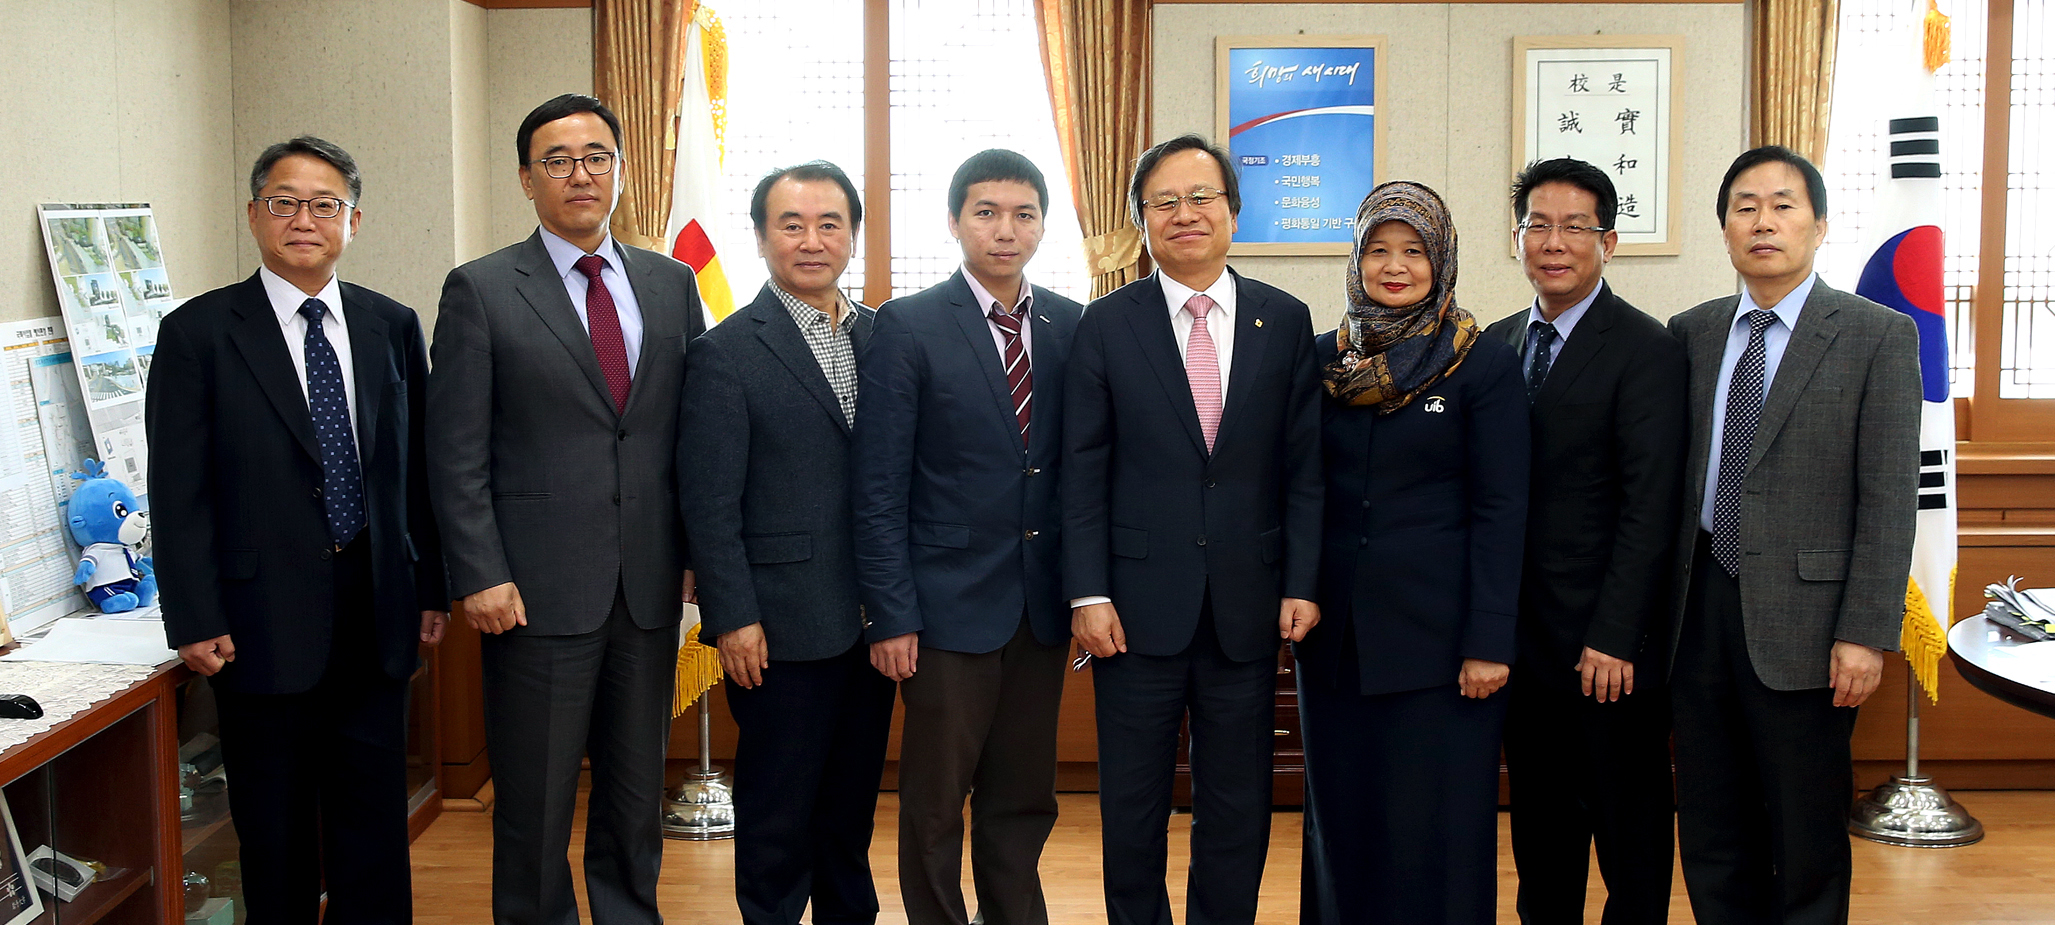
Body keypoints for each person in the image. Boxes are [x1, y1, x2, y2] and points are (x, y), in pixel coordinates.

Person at [149, 135, 447, 924]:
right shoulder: (198, 334)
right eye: (284, 202)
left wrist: (431, 588)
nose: (303, 219)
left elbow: (415, 474)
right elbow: (177, 490)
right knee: (274, 841)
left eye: (324, 205)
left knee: (373, 836)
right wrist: (194, 613)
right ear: (254, 215)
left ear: (354, 220)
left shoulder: (391, 324)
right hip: (257, 626)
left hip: (376, 619)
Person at [426, 93, 703, 925]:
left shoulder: (671, 282)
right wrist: (479, 572)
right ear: (525, 178)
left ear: (620, 169)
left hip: (649, 587)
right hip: (533, 594)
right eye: (558, 159)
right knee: (536, 803)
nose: (580, 174)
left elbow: (693, 435)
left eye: (596, 156)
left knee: (632, 795)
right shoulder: (481, 289)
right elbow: (455, 450)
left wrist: (697, 556)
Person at [1061, 133, 1322, 925]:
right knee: (1131, 804)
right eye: (1163, 202)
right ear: (1141, 220)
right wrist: (1088, 591)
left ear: (1233, 213)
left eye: (1200, 197)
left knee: (1237, 802)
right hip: (1132, 610)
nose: (1184, 214)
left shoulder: (1285, 320)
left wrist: (1301, 583)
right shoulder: (1105, 324)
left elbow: (1304, 468)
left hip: (1247, 604)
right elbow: (1081, 470)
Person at [1666, 145, 1919, 925]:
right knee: (1710, 816)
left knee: (1804, 824)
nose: (1763, 221)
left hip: (1812, 622)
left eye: (1782, 204)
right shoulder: (1692, 331)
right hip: (1698, 600)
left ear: (1817, 225)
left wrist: (1863, 631)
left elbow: (1887, 496)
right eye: (1745, 206)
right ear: (1724, 228)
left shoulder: (1876, 334)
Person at [853, 149, 1083, 925]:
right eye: (986, 213)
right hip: (944, 608)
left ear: (1044, 225)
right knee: (934, 801)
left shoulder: (1069, 324)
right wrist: (890, 612)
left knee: (1023, 795)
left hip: (1040, 604)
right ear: (955, 222)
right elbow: (879, 484)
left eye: (1022, 214)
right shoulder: (908, 325)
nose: (1004, 229)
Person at [1294, 180, 1528, 925]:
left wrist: (1489, 639)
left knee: (1439, 830)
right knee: (1341, 823)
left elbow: (1501, 509)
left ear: (1442, 258)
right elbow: (1296, 489)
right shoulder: (1321, 359)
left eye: (1413, 250)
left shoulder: (1479, 361)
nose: (1394, 266)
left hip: (1443, 646)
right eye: (1377, 249)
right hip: (1335, 642)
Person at [679, 160, 893, 925]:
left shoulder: (884, 336)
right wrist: (733, 616)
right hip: (775, 624)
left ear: (852, 234)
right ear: (762, 236)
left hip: (872, 625)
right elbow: (708, 502)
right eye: (791, 224)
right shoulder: (725, 351)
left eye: (829, 223)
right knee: (775, 818)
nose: (811, 240)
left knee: (849, 813)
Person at [1486, 158, 1685, 925]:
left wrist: (1615, 635)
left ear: (1609, 241)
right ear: (1516, 238)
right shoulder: (1496, 344)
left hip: (1608, 650)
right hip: (1520, 645)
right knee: (1541, 834)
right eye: (1538, 224)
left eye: (1575, 227)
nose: (1554, 242)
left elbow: (1650, 506)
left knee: (1628, 834)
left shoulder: (1646, 348)